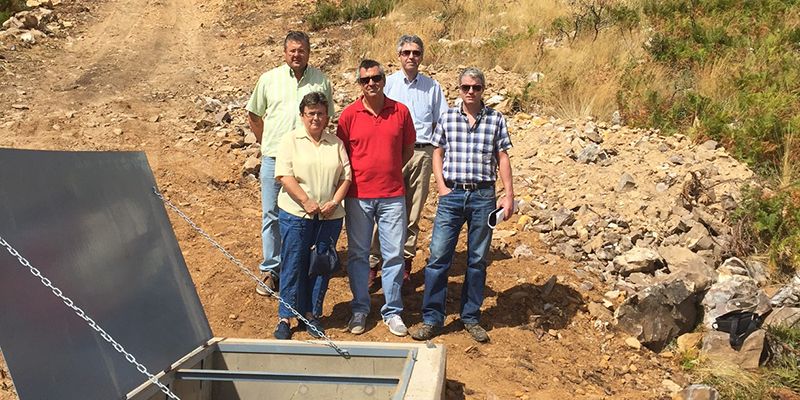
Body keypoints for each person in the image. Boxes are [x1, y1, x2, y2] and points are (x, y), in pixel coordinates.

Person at [411, 67, 515, 343]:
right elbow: (437, 152)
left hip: (483, 196)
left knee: (477, 259)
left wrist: (509, 195)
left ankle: (471, 317)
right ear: (459, 89)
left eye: (476, 87)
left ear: (483, 89)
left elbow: (502, 157)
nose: (470, 92)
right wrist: (442, 187)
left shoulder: (495, 119)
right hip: (453, 195)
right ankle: (432, 318)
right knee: (438, 257)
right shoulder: (447, 117)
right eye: (466, 87)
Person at [245, 31, 334, 295]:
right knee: (271, 214)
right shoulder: (268, 79)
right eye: (292, 50)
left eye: (302, 50)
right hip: (274, 159)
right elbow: (254, 114)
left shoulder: (321, 81)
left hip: (309, 160)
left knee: (307, 213)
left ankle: (301, 265)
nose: (297, 55)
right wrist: (266, 142)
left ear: (309, 52)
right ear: (285, 52)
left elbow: (327, 117)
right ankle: (271, 270)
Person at [337, 59, 416, 337]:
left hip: (392, 195)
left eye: (376, 78)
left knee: (393, 255)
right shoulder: (349, 115)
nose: (371, 83)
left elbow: (408, 149)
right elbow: (342, 153)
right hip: (358, 197)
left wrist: (389, 170)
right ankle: (360, 307)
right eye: (365, 80)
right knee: (358, 254)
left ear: (383, 80)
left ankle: (392, 311)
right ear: (359, 84)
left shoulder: (401, 111)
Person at [368, 34, 448, 294]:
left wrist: (440, 157)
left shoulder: (432, 87)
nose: (411, 57)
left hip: (422, 154)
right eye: (406, 52)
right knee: (383, 207)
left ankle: (404, 263)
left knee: (412, 211)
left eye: (416, 52)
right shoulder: (387, 84)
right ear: (399, 56)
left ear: (422, 56)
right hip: (391, 154)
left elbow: (442, 124)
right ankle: (373, 263)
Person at [272, 92, 351, 340]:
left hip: (329, 216)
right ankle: (286, 316)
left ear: (327, 116)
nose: (316, 118)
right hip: (296, 214)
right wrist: (305, 201)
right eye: (311, 113)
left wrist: (334, 202)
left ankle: (311, 314)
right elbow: (284, 175)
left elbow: (346, 177)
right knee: (293, 263)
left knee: (320, 265)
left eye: (320, 113)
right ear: (302, 116)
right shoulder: (290, 141)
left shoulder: (336, 143)